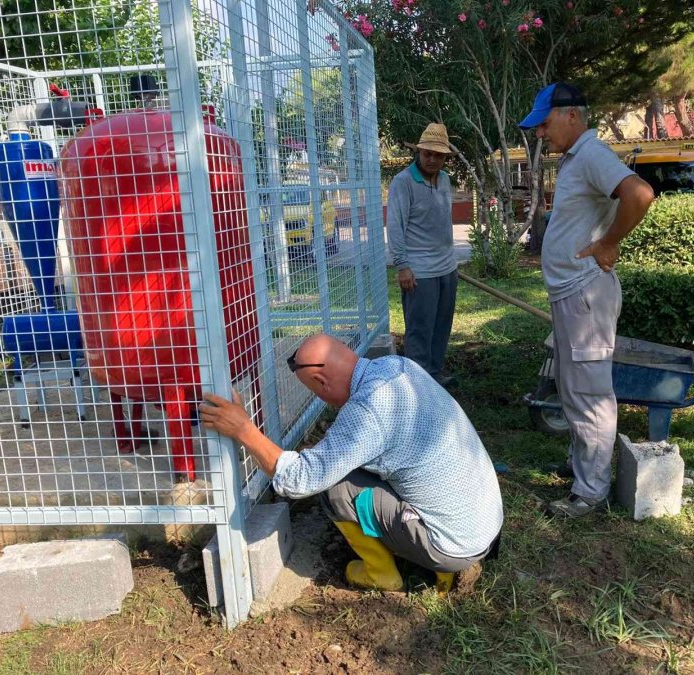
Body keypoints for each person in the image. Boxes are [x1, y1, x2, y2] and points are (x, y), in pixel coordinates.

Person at [200, 334, 503, 592]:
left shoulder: (367, 412)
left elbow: (300, 480)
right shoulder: (398, 366)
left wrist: (243, 430)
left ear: (321, 380)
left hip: (451, 546)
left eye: (314, 390)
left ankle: (381, 574)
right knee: (351, 466)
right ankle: (436, 563)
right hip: (484, 524)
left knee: (335, 488)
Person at [518, 83, 655, 518]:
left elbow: (640, 194)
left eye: (545, 123)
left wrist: (609, 243)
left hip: (585, 295)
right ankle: (584, 469)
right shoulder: (577, 159)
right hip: (572, 294)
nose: (541, 133)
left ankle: (590, 492)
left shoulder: (592, 154)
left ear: (572, 116)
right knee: (574, 389)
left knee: (590, 394)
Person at [386, 123, 458, 386]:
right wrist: (402, 266)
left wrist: (451, 264)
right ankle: (419, 387)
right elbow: (395, 226)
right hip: (419, 273)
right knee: (419, 332)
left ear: (444, 157)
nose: (431, 159)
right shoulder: (403, 182)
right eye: (427, 153)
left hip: (447, 269)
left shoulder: (445, 180)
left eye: (438, 155)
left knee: (441, 328)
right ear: (419, 151)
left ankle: (435, 378)